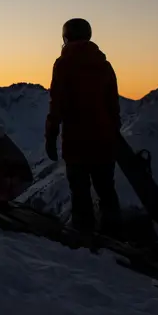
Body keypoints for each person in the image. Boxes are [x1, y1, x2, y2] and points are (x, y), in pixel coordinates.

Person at [44, 18, 123, 235]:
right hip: (104, 139)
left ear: (65, 37)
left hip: (76, 141)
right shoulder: (104, 65)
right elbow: (113, 105)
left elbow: (56, 103)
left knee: (80, 191)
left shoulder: (63, 65)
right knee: (106, 189)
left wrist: (50, 135)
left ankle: (82, 235)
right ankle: (115, 234)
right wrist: (113, 133)